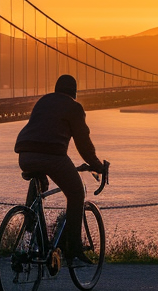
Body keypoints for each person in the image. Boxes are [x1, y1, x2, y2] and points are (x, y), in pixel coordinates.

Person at [14, 74, 104, 267]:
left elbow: (40, 130)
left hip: (25, 154)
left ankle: (29, 228)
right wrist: (96, 164)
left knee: (39, 182)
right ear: (74, 92)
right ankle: (74, 248)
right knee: (76, 192)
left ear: (56, 89)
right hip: (52, 155)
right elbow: (83, 144)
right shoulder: (74, 107)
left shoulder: (44, 100)